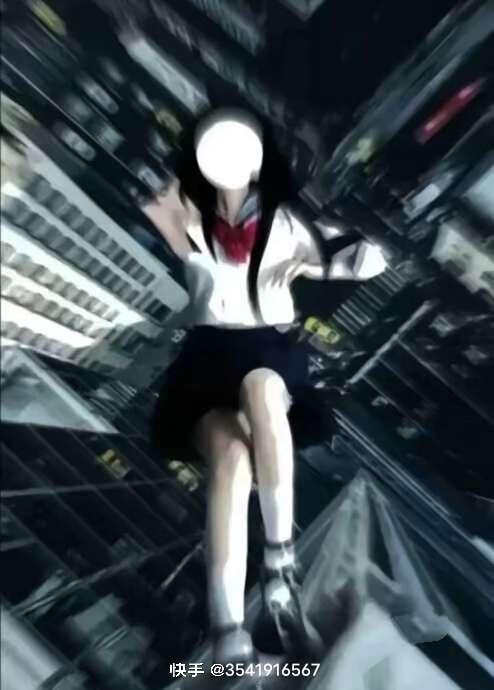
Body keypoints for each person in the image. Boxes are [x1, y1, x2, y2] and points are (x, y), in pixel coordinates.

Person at [142, 108, 386, 666]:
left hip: (265, 349)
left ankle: (279, 558)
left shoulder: (288, 227)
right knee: (229, 459)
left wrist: (321, 249)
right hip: (207, 358)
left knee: (264, 389)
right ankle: (228, 634)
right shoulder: (188, 209)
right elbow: (163, 210)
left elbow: (369, 260)